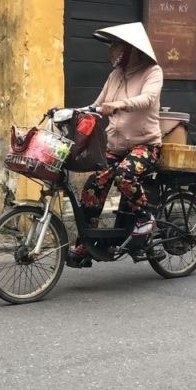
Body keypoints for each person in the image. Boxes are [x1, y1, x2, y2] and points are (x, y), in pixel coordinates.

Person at [68, 22, 164, 268]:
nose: (110, 51)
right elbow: (97, 105)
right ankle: (85, 245)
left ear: (130, 49)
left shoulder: (153, 72)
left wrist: (120, 105)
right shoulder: (114, 76)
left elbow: (148, 99)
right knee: (92, 186)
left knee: (125, 175)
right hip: (115, 146)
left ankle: (145, 218)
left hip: (145, 145)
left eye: (115, 46)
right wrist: (71, 112)